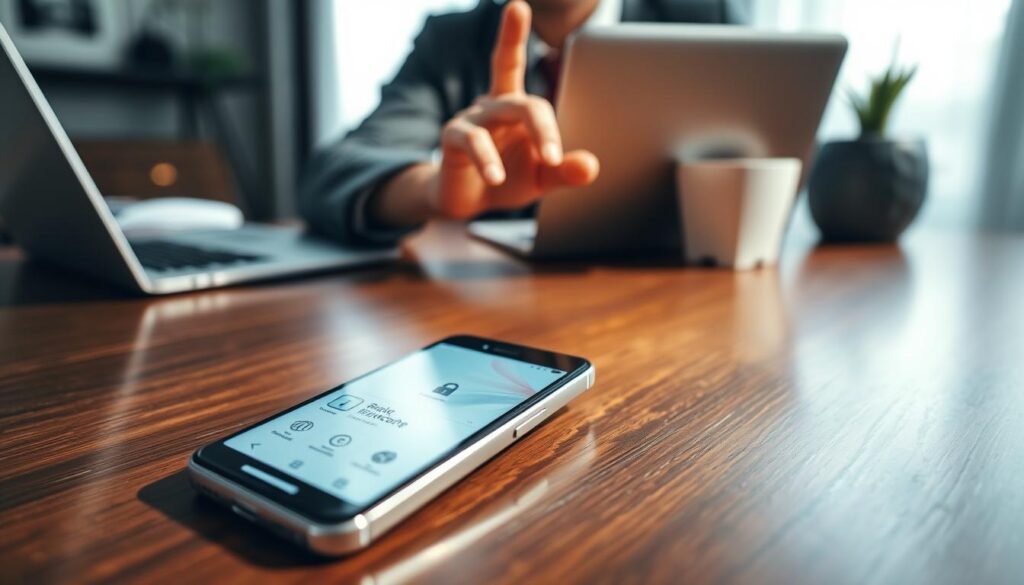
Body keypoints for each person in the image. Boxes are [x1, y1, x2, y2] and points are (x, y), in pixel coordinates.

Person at [299, 0, 747, 247]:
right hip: (499, 317)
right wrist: (431, 190)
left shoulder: (705, 18)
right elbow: (330, 173)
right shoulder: (453, 41)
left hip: (678, 299)